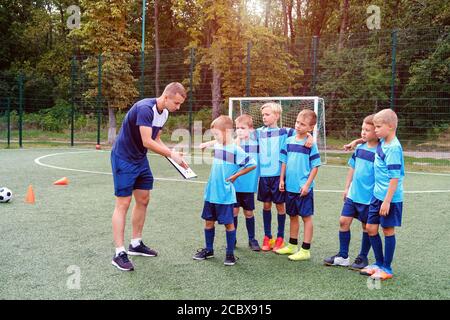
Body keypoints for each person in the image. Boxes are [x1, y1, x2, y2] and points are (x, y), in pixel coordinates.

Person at [110, 82, 188, 271]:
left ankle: (135, 244)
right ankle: (119, 252)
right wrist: (171, 155)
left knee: (143, 199)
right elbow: (147, 141)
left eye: (180, 104)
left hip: (140, 159)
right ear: (166, 97)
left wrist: (173, 157)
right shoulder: (145, 108)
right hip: (124, 158)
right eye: (176, 103)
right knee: (123, 203)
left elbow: (156, 138)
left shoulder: (165, 113)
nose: (177, 108)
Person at [193, 115, 256, 266]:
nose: (214, 137)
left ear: (227, 133)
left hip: (225, 194)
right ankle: (209, 250)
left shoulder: (236, 149)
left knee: (229, 223)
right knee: (208, 222)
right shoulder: (218, 145)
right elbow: (216, 142)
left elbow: (252, 164)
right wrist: (206, 144)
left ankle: (230, 254)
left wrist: (235, 176)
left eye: (216, 134)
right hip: (211, 192)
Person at [323, 114, 378, 270]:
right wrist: (347, 187)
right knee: (343, 221)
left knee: (366, 227)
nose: (363, 132)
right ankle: (343, 256)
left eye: (367, 130)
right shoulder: (360, 148)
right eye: (362, 129)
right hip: (353, 194)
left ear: (377, 132)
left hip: (369, 198)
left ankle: (362, 257)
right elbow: (352, 168)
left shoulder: (381, 151)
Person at [360, 108, 405, 281]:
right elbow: (368, 139)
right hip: (376, 195)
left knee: (387, 230)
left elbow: (395, 178)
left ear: (391, 127)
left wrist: (386, 202)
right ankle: (378, 263)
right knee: (371, 228)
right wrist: (356, 142)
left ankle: (387, 267)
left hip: (389, 199)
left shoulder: (393, 148)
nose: (375, 129)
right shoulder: (382, 142)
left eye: (378, 126)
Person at [276, 109, 321, 261]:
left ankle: (305, 249)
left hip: (303, 188)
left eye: (303, 124)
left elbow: (315, 166)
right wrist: (282, 180)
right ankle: (292, 245)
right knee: (292, 216)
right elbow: (284, 161)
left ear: (310, 128)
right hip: (290, 187)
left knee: (306, 218)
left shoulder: (310, 145)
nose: (298, 126)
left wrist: (307, 185)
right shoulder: (288, 141)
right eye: (297, 122)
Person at [233, 114, 261, 251]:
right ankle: (232, 238)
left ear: (250, 129)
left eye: (242, 128)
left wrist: (309, 136)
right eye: (237, 128)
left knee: (249, 213)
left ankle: (252, 239)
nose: (239, 130)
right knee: (234, 211)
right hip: (235, 184)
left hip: (249, 186)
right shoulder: (234, 143)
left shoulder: (257, 141)